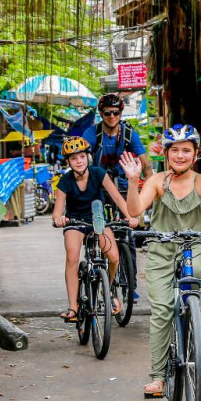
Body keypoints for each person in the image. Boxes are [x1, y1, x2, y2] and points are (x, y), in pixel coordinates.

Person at [121, 124, 201, 398]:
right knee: (163, 310)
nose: (180, 155)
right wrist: (132, 181)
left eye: (186, 150)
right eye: (174, 150)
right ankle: (158, 377)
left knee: (199, 270)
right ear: (166, 154)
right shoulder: (156, 182)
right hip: (161, 248)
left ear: (195, 154)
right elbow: (134, 210)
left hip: (194, 243)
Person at [52, 136, 136, 322]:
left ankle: (110, 289)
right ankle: (73, 307)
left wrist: (129, 216)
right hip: (75, 222)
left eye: (82, 156)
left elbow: (116, 197)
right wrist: (59, 219)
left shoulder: (98, 173)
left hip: (98, 220)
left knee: (113, 256)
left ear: (88, 157)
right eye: (73, 158)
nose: (79, 161)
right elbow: (57, 211)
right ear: (68, 162)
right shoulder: (65, 181)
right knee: (72, 257)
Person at [86, 93, 152, 300]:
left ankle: (130, 286)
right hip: (99, 188)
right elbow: (83, 155)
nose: (112, 117)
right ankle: (94, 263)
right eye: (107, 113)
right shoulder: (93, 133)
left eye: (116, 113)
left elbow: (146, 166)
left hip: (123, 188)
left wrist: (148, 192)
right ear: (101, 114)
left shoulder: (129, 134)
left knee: (127, 233)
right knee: (95, 229)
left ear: (121, 113)